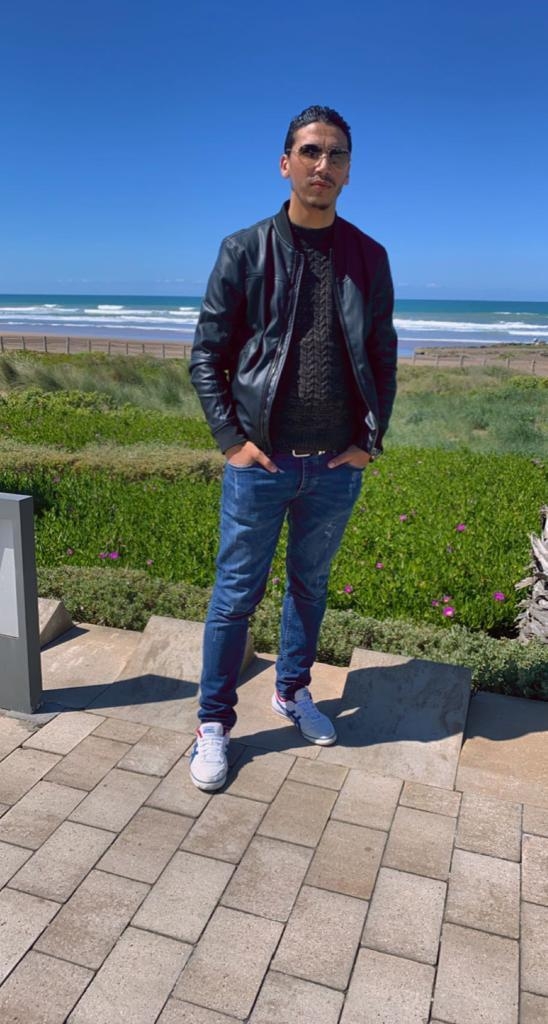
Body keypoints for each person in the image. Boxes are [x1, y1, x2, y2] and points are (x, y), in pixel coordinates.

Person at [189, 105, 397, 790]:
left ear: (349, 171)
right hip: (262, 463)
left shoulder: (368, 256)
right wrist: (231, 441)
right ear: (285, 163)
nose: (322, 165)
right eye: (310, 152)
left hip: (335, 466)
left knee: (309, 588)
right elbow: (207, 354)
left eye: (336, 155)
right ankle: (213, 723)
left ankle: (292, 690)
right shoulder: (244, 250)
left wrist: (369, 441)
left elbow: (382, 355)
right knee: (235, 595)